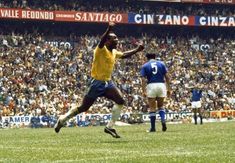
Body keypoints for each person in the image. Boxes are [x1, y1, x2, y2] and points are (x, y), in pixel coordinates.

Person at [54, 22, 144, 138]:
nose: (117, 40)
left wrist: (137, 50)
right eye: (113, 38)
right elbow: (101, 41)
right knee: (84, 107)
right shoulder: (100, 50)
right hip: (96, 83)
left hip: (108, 82)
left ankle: (110, 127)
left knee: (121, 101)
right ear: (107, 41)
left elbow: (124, 55)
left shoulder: (114, 52)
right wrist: (109, 28)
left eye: (117, 38)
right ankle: (62, 120)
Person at [140, 53, 171, 132]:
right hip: (161, 85)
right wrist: (169, 89)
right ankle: (163, 120)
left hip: (151, 85)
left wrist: (143, 91)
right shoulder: (161, 64)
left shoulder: (145, 66)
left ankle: (153, 128)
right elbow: (167, 77)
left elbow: (143, 80)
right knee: (160, 106)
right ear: (155, 57)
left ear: (147, 58)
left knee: (152, 108)